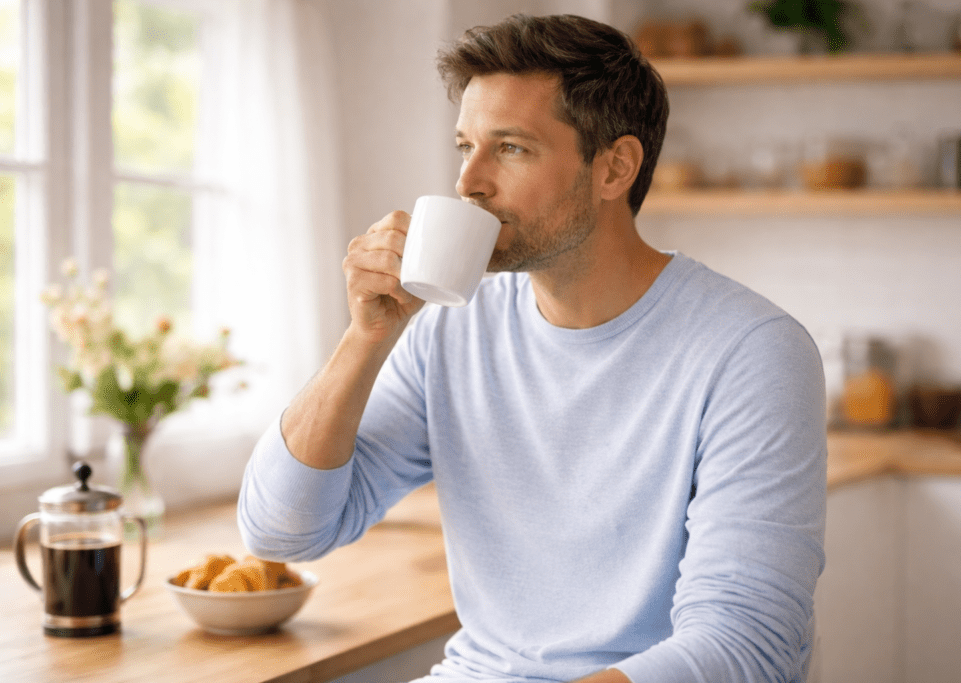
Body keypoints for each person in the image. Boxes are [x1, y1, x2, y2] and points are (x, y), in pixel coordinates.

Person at [238, 13, 826, 683]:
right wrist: (364, 339)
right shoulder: (449, 328)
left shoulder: (751, 353)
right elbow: (281, 531)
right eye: (466, 146)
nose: (468, 182)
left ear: (616, 168)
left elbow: (747, 646)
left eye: (511, 148)